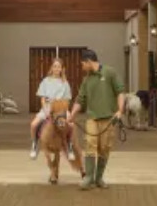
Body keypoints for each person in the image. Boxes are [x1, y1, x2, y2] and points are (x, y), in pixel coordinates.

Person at [67, 49, 125, 190]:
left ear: (88, 61)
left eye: (82, 64)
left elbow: (120, 92)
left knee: (104, 148)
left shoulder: (110, 72)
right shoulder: (86, 80)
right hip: (92, 118)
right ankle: (88, 178)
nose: (82, 67)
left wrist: (120, 111)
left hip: (108, 119)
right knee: (90, 145)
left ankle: (99, 178)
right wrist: (72, 115)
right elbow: (80, 100)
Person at [29, 59, 75, 160]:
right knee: (33, 124)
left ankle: (69, 146)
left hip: (61, 108)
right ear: (51, 68)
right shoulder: (46, 81)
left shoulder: (65, 83)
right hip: (48, 107)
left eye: (59, 67)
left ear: (62, 69)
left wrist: (64, 111)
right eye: (54, 66)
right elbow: (42, 99)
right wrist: (46, 110)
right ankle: (35, 144)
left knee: (71, 125)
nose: (56, 69)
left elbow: (67, 100)